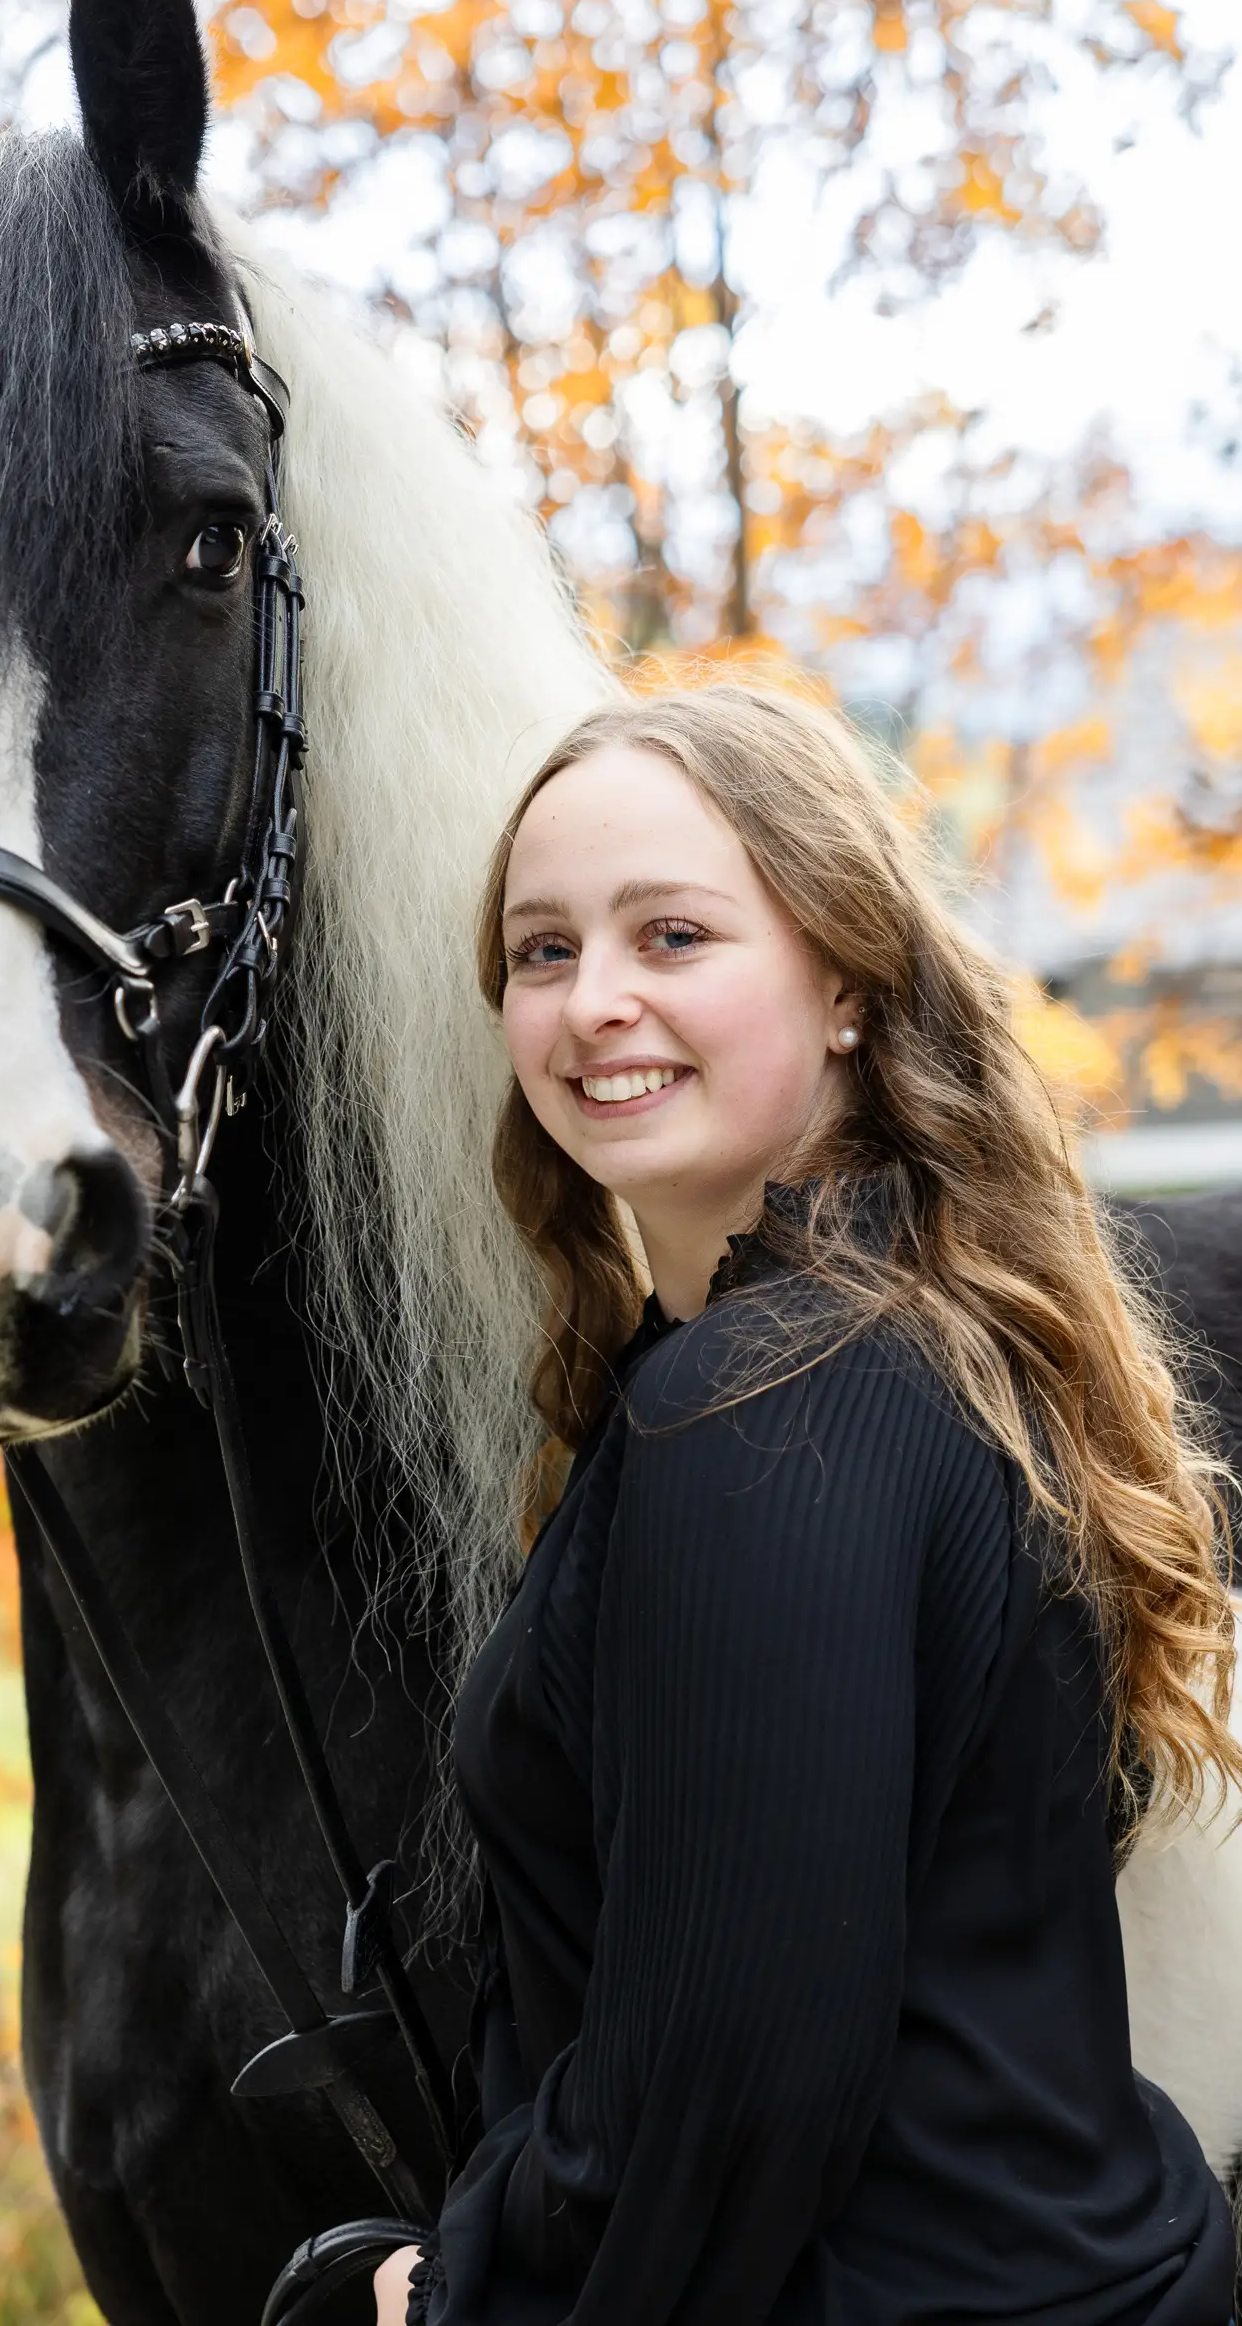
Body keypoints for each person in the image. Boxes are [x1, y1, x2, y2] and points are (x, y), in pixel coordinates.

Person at [375, 681, 1242, 2326]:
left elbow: (736, 2072)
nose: (591, 1004)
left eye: (673, 936)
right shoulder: (874, 1339)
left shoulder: (774, 1410)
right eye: (542, 951)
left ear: (842, 979)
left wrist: (462, 2285)